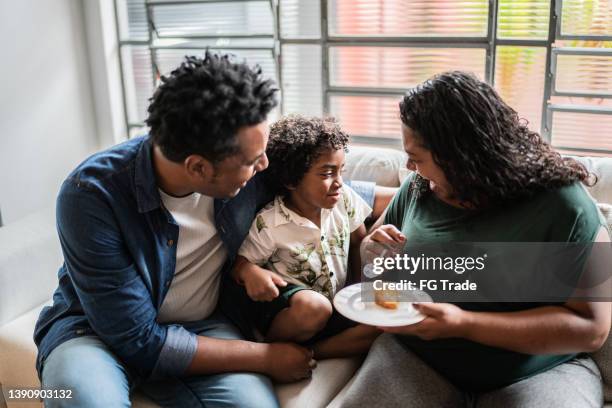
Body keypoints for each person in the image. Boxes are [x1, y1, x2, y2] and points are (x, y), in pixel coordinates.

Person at [34, 52, 316, 408]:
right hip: (92, 333)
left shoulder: (248, 158)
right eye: (251, 161)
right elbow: (138, 339)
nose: (265, 165)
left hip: (202, 325)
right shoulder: (90, 194)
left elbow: (335, 188)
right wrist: (266, 356)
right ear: (197, 168)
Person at [333, 71, 611, 408]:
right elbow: (380, 284)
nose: (409, 166)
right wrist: (371, 256)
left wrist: (465, 324)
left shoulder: (565, 205)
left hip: (537, 372)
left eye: (417, 157)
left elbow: (592, 328)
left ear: (463, 156)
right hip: (418, 359)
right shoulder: (416, 188)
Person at [233, 115, 381, 359]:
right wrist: (250, 271)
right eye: (327, 174)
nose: (339, 183)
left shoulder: (345, 199)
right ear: (291, 180)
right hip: (295, 309)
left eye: (341, 171)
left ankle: (310, 353)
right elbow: (240, 265)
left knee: (383, 321)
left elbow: (358, 243)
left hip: (336, 305)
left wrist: (356, 294)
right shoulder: (270, 222)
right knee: (315, 307)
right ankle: (272, 350)